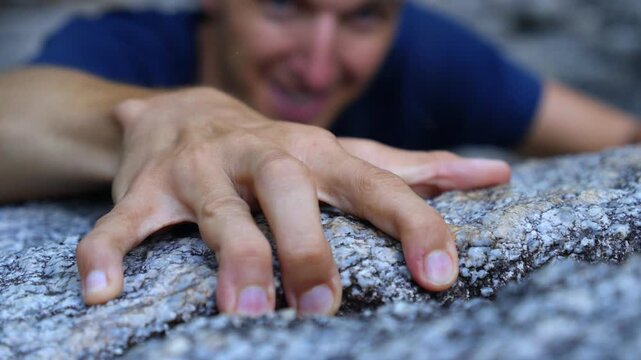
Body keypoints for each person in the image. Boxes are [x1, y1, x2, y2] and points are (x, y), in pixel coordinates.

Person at [0, 0, 638, 316]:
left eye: (362, 17)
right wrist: (171, 120)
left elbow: (620, 136)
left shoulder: (420, 55)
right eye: (284, 3)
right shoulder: (119, 45)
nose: (317, 65)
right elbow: (19, 113)